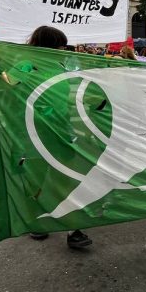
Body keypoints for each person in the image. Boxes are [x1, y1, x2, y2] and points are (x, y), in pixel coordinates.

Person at [25, 26, 93, 248]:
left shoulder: (62, 66)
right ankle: (36, 221)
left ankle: (73, 229)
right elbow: (4, 86)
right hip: (36, 133)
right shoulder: (26, 65)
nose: (64, 50)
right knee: (37, 179)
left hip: (62, 132)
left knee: (67, 180)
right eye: (61, 46)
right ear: (49, 46)